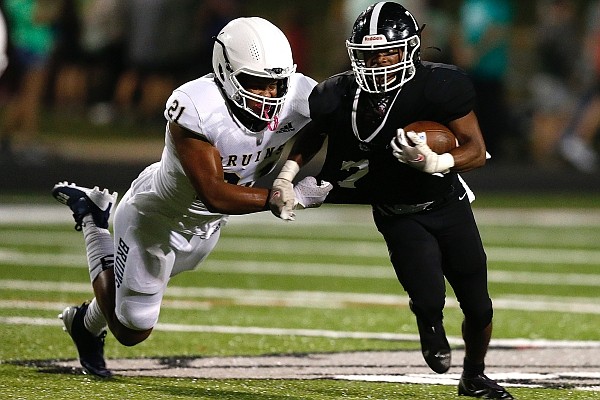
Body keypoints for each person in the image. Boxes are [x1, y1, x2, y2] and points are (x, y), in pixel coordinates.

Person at [51, 16, 331, 378]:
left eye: (276, 84)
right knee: (131, 329)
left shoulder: (296, 93)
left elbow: (320, 123)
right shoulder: (196, 107)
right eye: (256, 84)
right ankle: (93, 220)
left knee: (130, 295)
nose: (268, 95)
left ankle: (83, 321)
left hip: (206, 228)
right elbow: (214, 193)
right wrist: (279, 198)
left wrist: (289, 172)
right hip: (156, 219)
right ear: (225, 71)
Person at [269, 2, 513, 399]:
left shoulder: (438, 86)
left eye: (387, 52)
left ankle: (474, 376)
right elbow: (316, 130)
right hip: (397, 213)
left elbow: (477, 149)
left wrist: (439, 160)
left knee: (479, 306)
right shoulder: (339, 93)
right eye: (368, 55)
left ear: (410, 50)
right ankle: (428, 322)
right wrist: (287, 173)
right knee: (429, 297)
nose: (378, 63)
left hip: (447, 205)